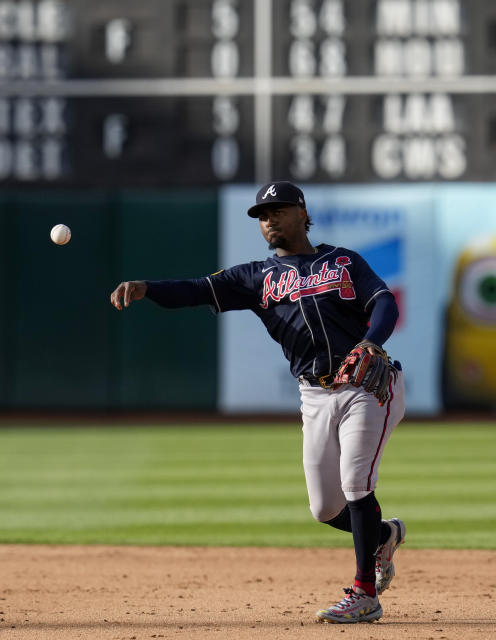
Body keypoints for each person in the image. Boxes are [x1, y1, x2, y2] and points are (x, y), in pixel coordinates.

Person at [110, 181, 407, 624]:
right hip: (314, 394)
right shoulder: (255, 278)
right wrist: (146, 288)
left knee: (355, 483)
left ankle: (365, 593)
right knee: (325, 508)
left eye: (278, 210)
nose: (268, 219)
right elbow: (195, 289)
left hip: (367, 386)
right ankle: (383, 534)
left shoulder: (342, 261)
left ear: (302, 213)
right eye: (262, 214)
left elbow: (384, 302)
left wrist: (369, 342)